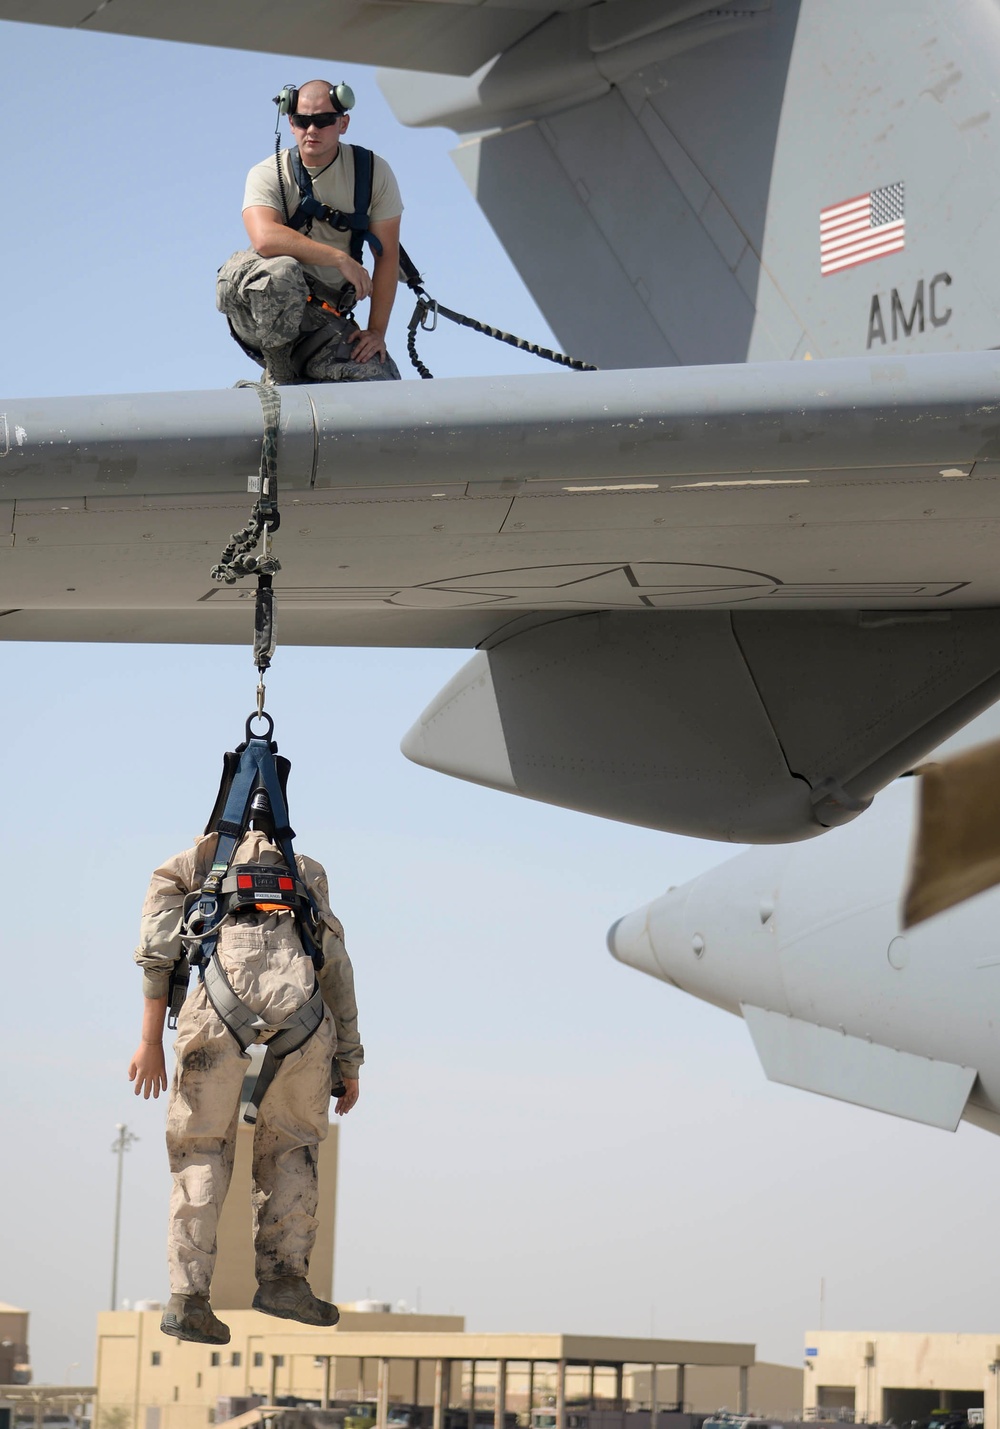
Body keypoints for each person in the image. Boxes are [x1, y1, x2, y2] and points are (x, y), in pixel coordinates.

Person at [128, 789, 363, 1346]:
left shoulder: (189, 865)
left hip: (215, 1013)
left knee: (201, 1148)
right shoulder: (306, 872)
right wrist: (348, 1060)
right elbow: (335, 967)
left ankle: (188, 1297)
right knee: (292, 1146)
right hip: (303, 1022)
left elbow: (156, 950)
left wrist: (148, 1040)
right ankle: (284, 1280)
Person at [217, 78, 403, 385]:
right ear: (290, 123)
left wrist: (376, 333)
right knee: (282, 273)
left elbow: (387, 255)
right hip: (259, 308)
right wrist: (338, 259)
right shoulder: (268, 173)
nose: (311, 130)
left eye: (323, 121)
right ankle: (279, 376)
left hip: (322, 319)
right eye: (302, 121)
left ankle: (305, 374)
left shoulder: (372, 173)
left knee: (380, 381)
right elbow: (264, 238)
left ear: (343, 123)